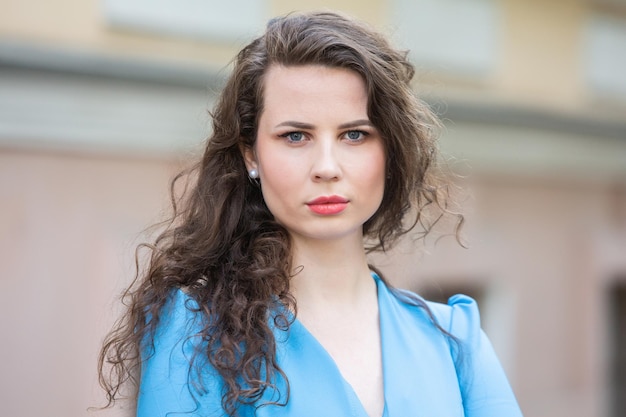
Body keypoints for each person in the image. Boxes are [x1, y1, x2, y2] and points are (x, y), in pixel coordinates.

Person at [98, 10, 523, 417]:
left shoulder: (454, 340)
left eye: (354, 134)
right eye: (296, 136)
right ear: (251, 154)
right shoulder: (196, 332)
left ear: (389, 150)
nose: (326, 166)